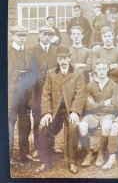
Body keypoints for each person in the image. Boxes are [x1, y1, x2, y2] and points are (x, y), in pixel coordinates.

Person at [35, 46, 85, 174]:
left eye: (65, 58)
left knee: (73, 127)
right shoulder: (51, 73)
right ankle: (45, 162)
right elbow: (46, 94)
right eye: (60, 58)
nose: (63, 61)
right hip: (55, 111)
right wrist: (47, 113)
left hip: (70, 110)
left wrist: (75, 111)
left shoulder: (78, 73)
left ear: (69, 58)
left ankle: (72, 161)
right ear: (57, 60)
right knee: (43, 127)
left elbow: (80, 94)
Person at [79, 58, 117, 167]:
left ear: (107, 69)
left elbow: (114, 107)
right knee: (82, 126)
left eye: (104, 69)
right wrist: (105, 103)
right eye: (99, 69)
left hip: (108, 115)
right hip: (93, 116)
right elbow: (88, 107)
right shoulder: (89, 86)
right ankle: (88, 153)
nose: (101, 71)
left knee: (106, 125)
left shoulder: (114, 85)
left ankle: (101, 153)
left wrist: (96, 106)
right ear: (95, 70)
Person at [8, 25, 35, 164]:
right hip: (11, 95)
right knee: (9, 125)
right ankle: (8, 156)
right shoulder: (7, 52)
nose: (21, 38)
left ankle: (25, 154)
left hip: (25, 95)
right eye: (19, 36)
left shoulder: (29, 54)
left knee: (25, 125)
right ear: (13, 36)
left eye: (23, 36)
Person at [31, 26, 59, 157]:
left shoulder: (55, 50)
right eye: (44, 34)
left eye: (49, 35)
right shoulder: (33, 51)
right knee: (38, 118)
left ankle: (50, 145)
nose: (47, 37)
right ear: (40, 35)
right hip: (37, 90)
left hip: (52, 90)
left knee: (51, 117)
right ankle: (37, 147)